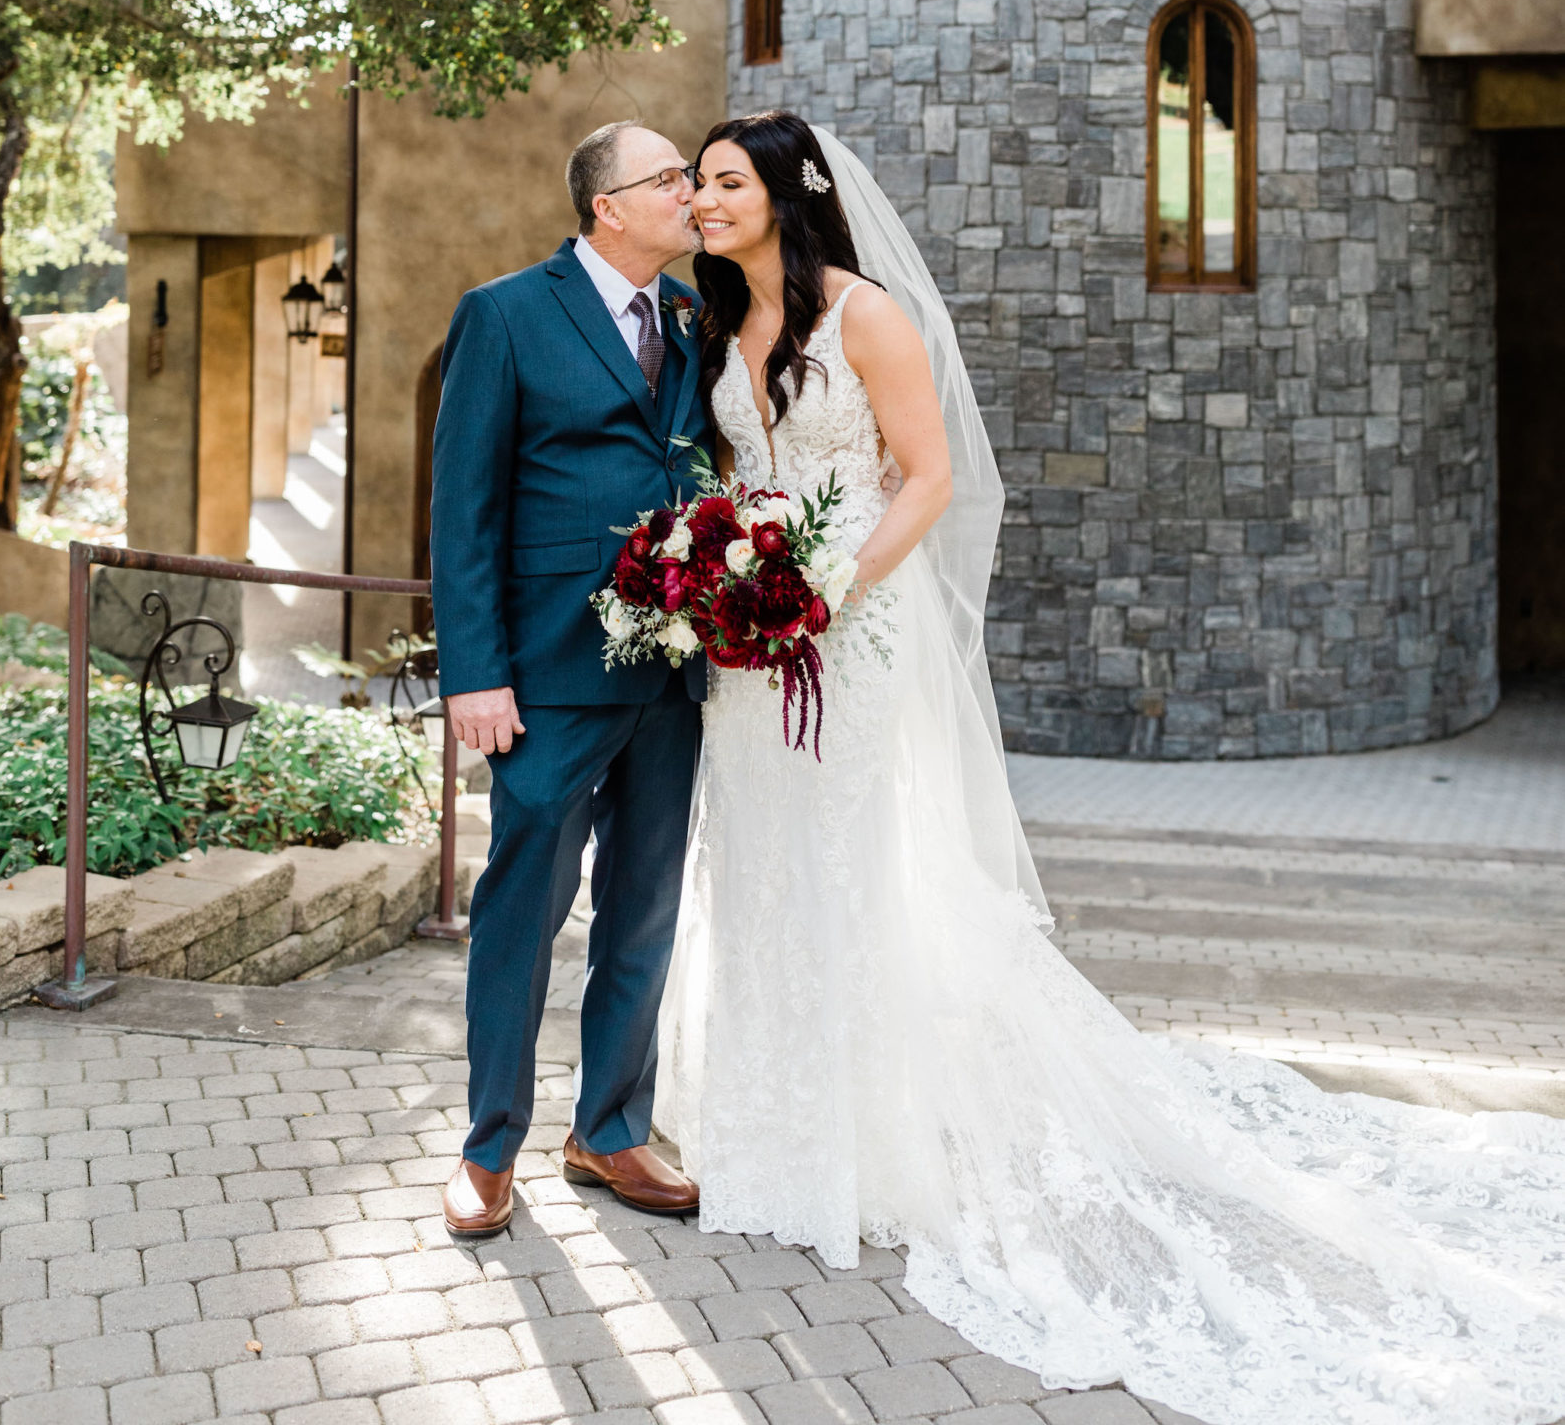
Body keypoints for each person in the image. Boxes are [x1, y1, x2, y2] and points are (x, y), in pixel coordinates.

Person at [657, 109, 1565, 1425]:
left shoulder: (864, 316)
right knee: (756, 862)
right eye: (695, 183)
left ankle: (861, 1143)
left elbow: (930, 477)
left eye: (724, 181)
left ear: (785, 196)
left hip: (848, 631)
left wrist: (829, 588)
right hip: (751, 644)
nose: (701, 198)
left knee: (842, 863)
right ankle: (763, 1125)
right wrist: (722, 578)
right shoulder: (715, 324)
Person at [430, 119, 709, 1238]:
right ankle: (488, 1146)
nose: (689, 192)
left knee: (643, 909)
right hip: (545, 671)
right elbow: (463, 506)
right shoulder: (503, 314)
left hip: (675, 668)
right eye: (669, 178)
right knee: (521, 911)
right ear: (609, 205)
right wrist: (474, 672)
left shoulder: (692, 317)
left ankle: (610, 1130)